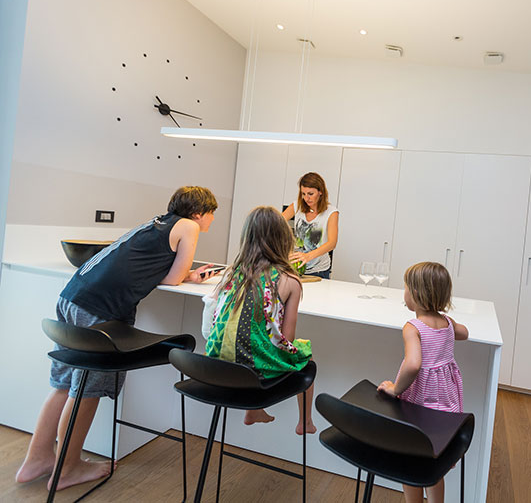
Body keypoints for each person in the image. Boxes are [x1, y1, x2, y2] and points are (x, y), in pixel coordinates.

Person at [16, 186, 219, 491]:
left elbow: (162, 273)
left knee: (64, 385)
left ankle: (38, 458)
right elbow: (174, 278)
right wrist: (186, 275)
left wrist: (187, 275)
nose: (212, 220)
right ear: (199, 212)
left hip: (72, 297)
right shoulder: (189, 226)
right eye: (212, 214)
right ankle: (67, 468)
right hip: (99, 310)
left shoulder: (156, 223)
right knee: (86, 390)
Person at [202, 205, 315, 434]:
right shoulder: (289, 281)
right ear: (284, 240)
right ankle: (305, 422)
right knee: (305, 357)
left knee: (246, 342)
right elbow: (285, 339)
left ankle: (254, 410)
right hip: (255, 373)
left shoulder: (231, 273)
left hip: (216, 364)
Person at [378, 261, 469, 503]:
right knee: (434, 464)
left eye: (406, 288)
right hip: (445, 406)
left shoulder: (413, 327)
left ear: (416, 294)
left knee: (411, 459)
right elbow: (465, 333)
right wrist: (450, 329)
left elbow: (413, 364)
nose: (404, 293)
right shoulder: (447, 323)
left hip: (421, 406)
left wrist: (395, 389)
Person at [281, 172, 339, 279]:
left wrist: (307, 256)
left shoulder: (331, 212)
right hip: (295, 267)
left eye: (310, 194)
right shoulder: (296, 206)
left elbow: (332, 243)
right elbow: (276, 224)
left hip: (319, 271)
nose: (306, 198)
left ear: (320, 192)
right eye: (303, 194)